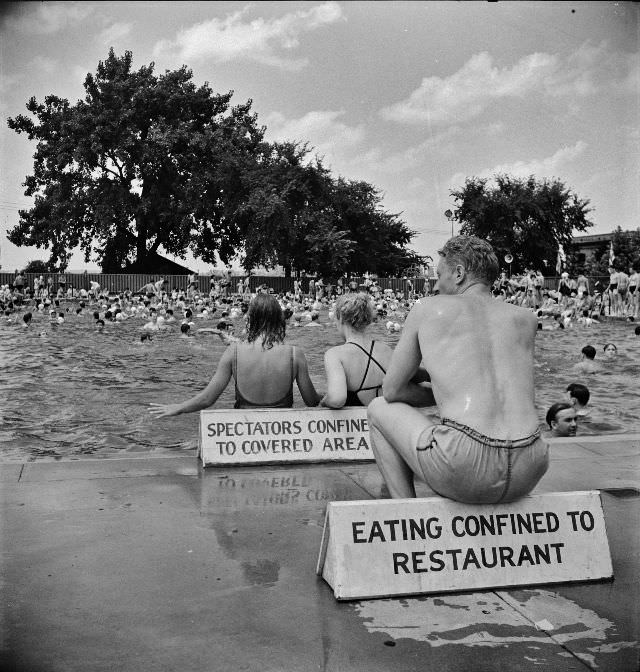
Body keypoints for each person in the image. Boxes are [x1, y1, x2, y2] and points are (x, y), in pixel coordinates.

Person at [367, 235, 548, 503]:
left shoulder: (426, 309)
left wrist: (437, 392)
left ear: (459, 273)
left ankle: (406, 511)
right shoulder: (525, 318)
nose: (436, 284)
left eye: (440, 275)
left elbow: (392, 390)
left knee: (378, 408)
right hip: (531, 462)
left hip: (465, 463)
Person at [149, 294, 320, 417]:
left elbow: (208, 399)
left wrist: (179, 407)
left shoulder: (234, 351)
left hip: (244, 432)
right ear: (278, 320)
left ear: (250, 319)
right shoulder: (294, 354)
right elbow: (312, 401)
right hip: (282, 434)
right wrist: (338, 396)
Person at [320, 293, 394, 408]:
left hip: (353, 422)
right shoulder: (386, 350)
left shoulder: (335, 355)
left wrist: (323, 402)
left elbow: (336, 399)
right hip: (384, 420)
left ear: (340, 318)